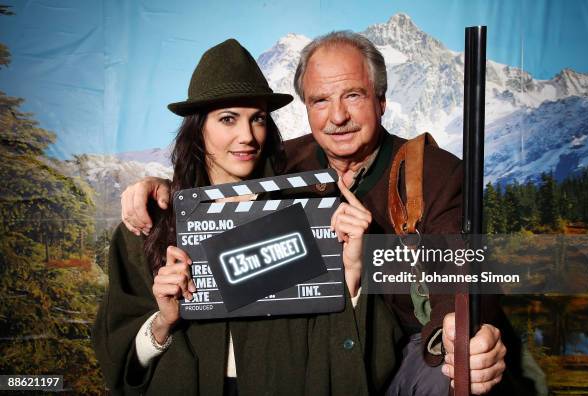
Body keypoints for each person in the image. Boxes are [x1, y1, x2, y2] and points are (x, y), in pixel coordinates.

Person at [119, 32, 513, 395]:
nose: (337, 116)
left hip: (408, 343)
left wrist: (457, 336)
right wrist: (166, 191)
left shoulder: (432, 171)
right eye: (321, 101)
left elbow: (460, 266)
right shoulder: (282, 165)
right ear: (306, 108)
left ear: (381, 100)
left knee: (450, 374)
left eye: (353, 96)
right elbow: (219, 178)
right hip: (322, 354)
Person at [93, 38, 402, 396]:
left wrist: (351, 274)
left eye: (257, 119)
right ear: (199, 128)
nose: (247, 136)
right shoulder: (147, 225)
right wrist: (163, 322)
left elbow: (364, 356)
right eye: (228, 119)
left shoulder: (309, 216)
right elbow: (117, 358)